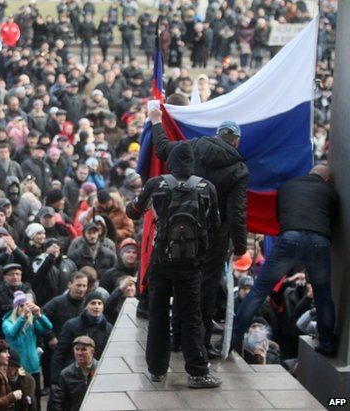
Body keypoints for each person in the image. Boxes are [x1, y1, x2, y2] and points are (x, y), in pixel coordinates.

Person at [151, 108, 248, 355]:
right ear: (235, 141)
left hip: (178, 228)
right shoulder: (238, 169)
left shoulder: (192, 146)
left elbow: (162, 148)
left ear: (217, 135)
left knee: (181, 279)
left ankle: (176, 338)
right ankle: (200, 343)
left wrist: (156, 122)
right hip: (214, 235)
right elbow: (236, 213)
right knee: (205, 287)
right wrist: (240, 247)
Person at [126, 143, 222, 388]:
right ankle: (198, 373)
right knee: (191, 317)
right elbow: (214, 225)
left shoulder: (156, 184)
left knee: (158, 315)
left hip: (162, 261)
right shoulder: (206, 187)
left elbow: (134, 212)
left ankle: (157, 370)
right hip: (191, 265)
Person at [231, 164, 339, 356]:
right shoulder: (330, 192)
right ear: (327, 180)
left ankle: (233, 338)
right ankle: (328, 344)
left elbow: (281, 213)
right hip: (319, 240)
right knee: (323, 296)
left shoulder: (288, 186)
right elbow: (333, 220)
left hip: (290, 237)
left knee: (258, 291)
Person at [50, 291, 112, 386]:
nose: (96, 306)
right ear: (86, 306)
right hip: (74, 375)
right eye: (93, 303)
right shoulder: (72, 325)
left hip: (97, 374)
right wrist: (55, 380)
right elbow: (60, 353)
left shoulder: (108, 328)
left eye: (100, 303)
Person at [2, 291, 52, 404]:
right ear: (15, 307)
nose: (24, 308)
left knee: (35, 400)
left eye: (26, 305)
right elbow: (12, 333)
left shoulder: (32, 321)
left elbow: (48, 328)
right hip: (18, 368)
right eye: (21, 305)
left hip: (33, 366)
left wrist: (39, 315)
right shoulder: (7, 322)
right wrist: (23, 318)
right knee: (21, 400)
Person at [0, 263, 34, 338]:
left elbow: (35, 317)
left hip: (25, 337)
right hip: (4, 337)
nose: (15, 277)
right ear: (4, 277)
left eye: (18, 274)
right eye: (11, 274)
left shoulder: (28, 292)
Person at [51, 336, 98, 411]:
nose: (79, 353)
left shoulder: (100, 370)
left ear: (92, 351)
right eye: (77, 349)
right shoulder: (66, 374)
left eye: (83, 349)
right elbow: (58, 402)